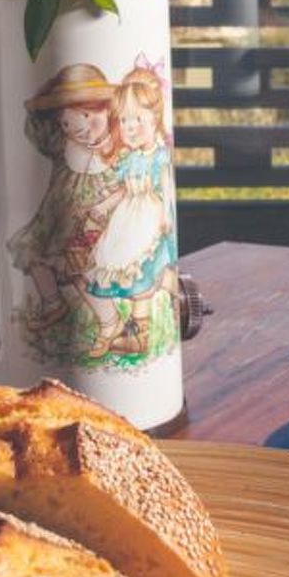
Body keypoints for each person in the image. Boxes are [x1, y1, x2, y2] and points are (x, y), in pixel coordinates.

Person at [6, 64, 119, 337]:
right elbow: (37, 131)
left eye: (88, 115)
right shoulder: (62, 147)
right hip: (52, 221)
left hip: (91, 224)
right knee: (31, 249)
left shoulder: (116, 148)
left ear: (108, 110)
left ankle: (109, 322)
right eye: (67, 122)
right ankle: (53, 303)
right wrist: (41, 101)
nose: (80, 127)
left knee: (78, 266)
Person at [84, 60, 178, 357]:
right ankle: (138, 325)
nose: (130, 127)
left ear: (155, 118)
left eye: (137, 119)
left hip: (148, 218)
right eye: (124, 121)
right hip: (127, 219)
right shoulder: (130, 159)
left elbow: (165, 186)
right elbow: (124, 189)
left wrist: (164, 216)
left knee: (142, 276)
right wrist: (102, 205)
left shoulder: (159, 156)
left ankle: (140, 333)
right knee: (132, 272)